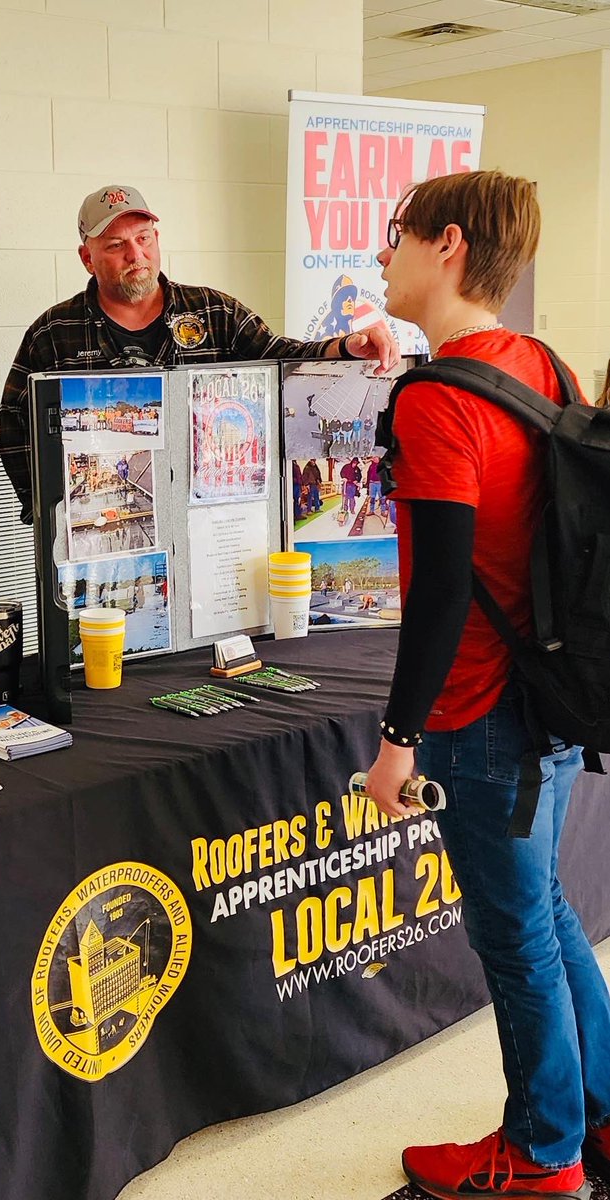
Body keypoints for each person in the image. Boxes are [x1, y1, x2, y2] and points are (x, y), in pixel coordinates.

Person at [363, 170, 610, 1199]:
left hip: (477, 714)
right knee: (544, 915)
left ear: (448, 244)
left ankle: (543, 1152)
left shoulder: (434, 401)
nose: (383, 255)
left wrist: (396, 740)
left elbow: (440, 592)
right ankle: (597, 1117)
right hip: (555, 693)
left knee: (514, 943)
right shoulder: (544, 365)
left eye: (395, 234)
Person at [0, 184, 399, 523]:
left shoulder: (214, 312)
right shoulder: (53, 332)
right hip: (105, 525)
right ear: (88, 258)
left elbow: (281, 356)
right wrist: (47, 512)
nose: (135, 255)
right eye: (116, 245)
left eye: (143, 238)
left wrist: (344, 346)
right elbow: (14, 426)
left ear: (157, 239)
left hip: (207, 523)